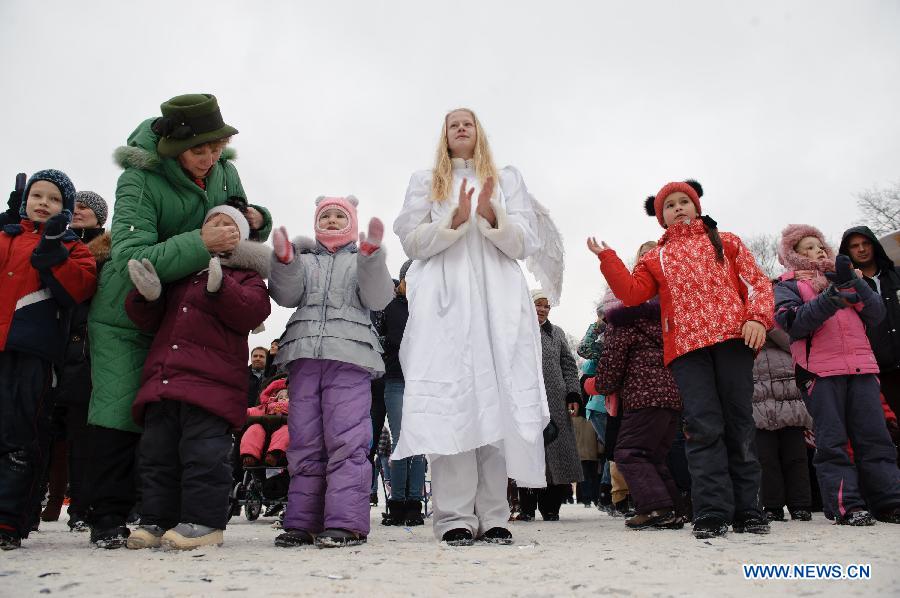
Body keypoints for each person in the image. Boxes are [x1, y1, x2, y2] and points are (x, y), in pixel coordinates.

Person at [84, 93, 272, 548]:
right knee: (124, 413)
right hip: (133, 304)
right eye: (198, 150)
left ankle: (184, 518)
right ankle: (109, 518)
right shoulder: (139, 179)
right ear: (172, 148)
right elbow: (130, 256)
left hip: (190, 306)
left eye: (215, 148)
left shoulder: (224, 168)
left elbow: (237, 221)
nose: (209, 159)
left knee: (182, 433)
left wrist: (256, 220)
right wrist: (201, 242)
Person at [392, 108, 561, 546]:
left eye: (468, 121)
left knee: (497, 400)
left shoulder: (507, 178)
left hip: (498, 301)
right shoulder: (426, 181)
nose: (462, 127)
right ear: (445, 135)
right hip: (446, 302)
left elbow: (525, 242)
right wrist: (451, 222)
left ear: (479, 131)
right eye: (453, 123)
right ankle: (452, 516)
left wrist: (490, 215)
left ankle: (493, 513)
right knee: (455, 402)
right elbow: (412, 241)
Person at [587, 179, 774, 539]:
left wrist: (757, 318)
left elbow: (758, 283)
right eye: (668, 205)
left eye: (682, 201)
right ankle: (712, 511)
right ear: (661, 217)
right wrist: (608, 259)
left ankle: (749, 508)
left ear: (696, 206)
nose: (677, 208)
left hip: (733, 340)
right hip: (687, 350)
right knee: (703, 428)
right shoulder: (654, 257)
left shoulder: (727, 241)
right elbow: (631, 294)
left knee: (739, 424)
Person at [123, 206, 271, 550]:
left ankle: (204, 523)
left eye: (229, 225)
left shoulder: (246, 276)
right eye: (213, 223)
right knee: (157, 456)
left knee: (203, 456)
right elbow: (149, 320)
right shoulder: (184, 272)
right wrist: (148, 297)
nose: (220, 228)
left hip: (211, 388)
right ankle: (156, 520)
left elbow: (253, 310)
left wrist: (221, 289)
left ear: (241, 238)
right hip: (165, 381)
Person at [269, 195, 394, 548]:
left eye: (341, 215)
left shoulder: (359, 258)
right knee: (305, 442)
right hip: (306, 355)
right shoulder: (305, 260)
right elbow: (286, 295)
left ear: (352, 221)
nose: (334, 221)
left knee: (347, 440)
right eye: (327, 216)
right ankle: (303, 522)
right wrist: (285, 261)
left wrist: (371, 258)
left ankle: (345, 522)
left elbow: (379, 298)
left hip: (350, 356)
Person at [774, 223, 900, 525]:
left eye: (819, 245)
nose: (816, 250)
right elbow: (792, 322)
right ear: (794, 255)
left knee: (875, 438)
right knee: (833, 442)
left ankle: (889, 501)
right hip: (820, 371)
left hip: (862, 367)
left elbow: (875, 313)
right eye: (807, 247)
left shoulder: (849, 277)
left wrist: (851, 283)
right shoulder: (786, 283)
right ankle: (847, 505)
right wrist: (830, 296)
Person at [0, 170, 98, 550]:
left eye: (54, 199)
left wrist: (54, 253)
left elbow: (78, 288)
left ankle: (9, 519)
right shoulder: (7, 235)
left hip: (33, 352)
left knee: (19, 436)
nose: (43, 203)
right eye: (37, 195)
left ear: (67, 209)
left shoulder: (75, 247)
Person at [586, 284, 684, 530]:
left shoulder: (621, 327)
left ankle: (655, 509)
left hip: (644, 398)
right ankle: (673, 509)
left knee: (628, 452)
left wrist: (589, 385)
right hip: (671, 399)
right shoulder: (658, 323)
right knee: (653, 456)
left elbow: (609, 377)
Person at [40, 191, 110, 531]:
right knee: (45, 433)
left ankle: (81, 508)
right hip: (53, 346)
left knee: (84, 437)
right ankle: (40, 505)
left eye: (86, 208)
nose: (78, 211)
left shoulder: (107, 252)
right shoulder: (54, 244)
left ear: (99, 218)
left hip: (87, 352)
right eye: (75, 206)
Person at [518, 290, 582, 521]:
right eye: (538, 305)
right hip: (526, 400)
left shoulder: (557, 333)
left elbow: (568, 364)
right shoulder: (518, 330)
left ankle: (551, 506)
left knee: (555, 453)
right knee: (528, 451)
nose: (543, 309)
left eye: (546, 306)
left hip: (556, 400)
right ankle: (525, 506)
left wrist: (573, 393)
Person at [380, 260, 428, 526]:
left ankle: (414, 503)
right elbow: (386, 338)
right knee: (400, 441)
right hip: (397, 379)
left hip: (421, 381)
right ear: (401, 282)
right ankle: (397, 503)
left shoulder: (427, 308)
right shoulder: (391, 307)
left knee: (419, 443)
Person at [751, 321, 814, 522]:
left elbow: (793, 343)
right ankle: (772, 505)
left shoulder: (780, 315)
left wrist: (768, 325)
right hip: (758, 396)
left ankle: (801, 504)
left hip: (789, 395)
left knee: (796, 456)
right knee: (765, 458)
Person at [839, 227, 900, 421]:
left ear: (874, 246)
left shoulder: (896, 275)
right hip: (877, 370)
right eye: (855, 246)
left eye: (866, 244)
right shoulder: (846, 287)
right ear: (847, 252)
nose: (862, 249)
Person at [240, 377, 290, 467]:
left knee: (286, 431)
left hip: (285, 425)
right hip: (265, 429)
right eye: (280, 397)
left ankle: (275, 454)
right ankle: (250, 455)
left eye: (287, 397)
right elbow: (253, 411)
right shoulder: (267, 407)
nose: (283, 399)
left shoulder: (295, 407)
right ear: (275, 397)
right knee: (254, 429)